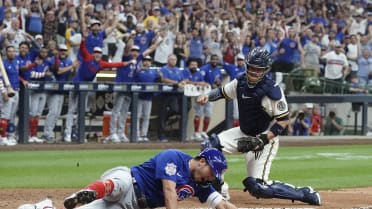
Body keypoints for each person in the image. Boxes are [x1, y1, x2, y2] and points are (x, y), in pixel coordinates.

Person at [197, 47, 321, 205]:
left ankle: (305, 193)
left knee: (258, 188)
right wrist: (207, 96)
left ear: (266, 70)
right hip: (242, 132)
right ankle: (219, 190)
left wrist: (262, 139)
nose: (254, 72)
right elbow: (222, 92)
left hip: (264, 139)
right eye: (252, 68)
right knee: (209, 146)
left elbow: (283, 121)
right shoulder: (240, 81)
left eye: (259, 69)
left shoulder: (273, 91)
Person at [63, 148, 237, 209]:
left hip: (129, 206)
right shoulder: (174, 157)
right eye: (212, 172)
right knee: (118, 185)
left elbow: (222, 204)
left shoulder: (201, 184)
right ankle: (89, 192)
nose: (212, 178)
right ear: (202, 161)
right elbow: (169, 191)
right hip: (130, 181)